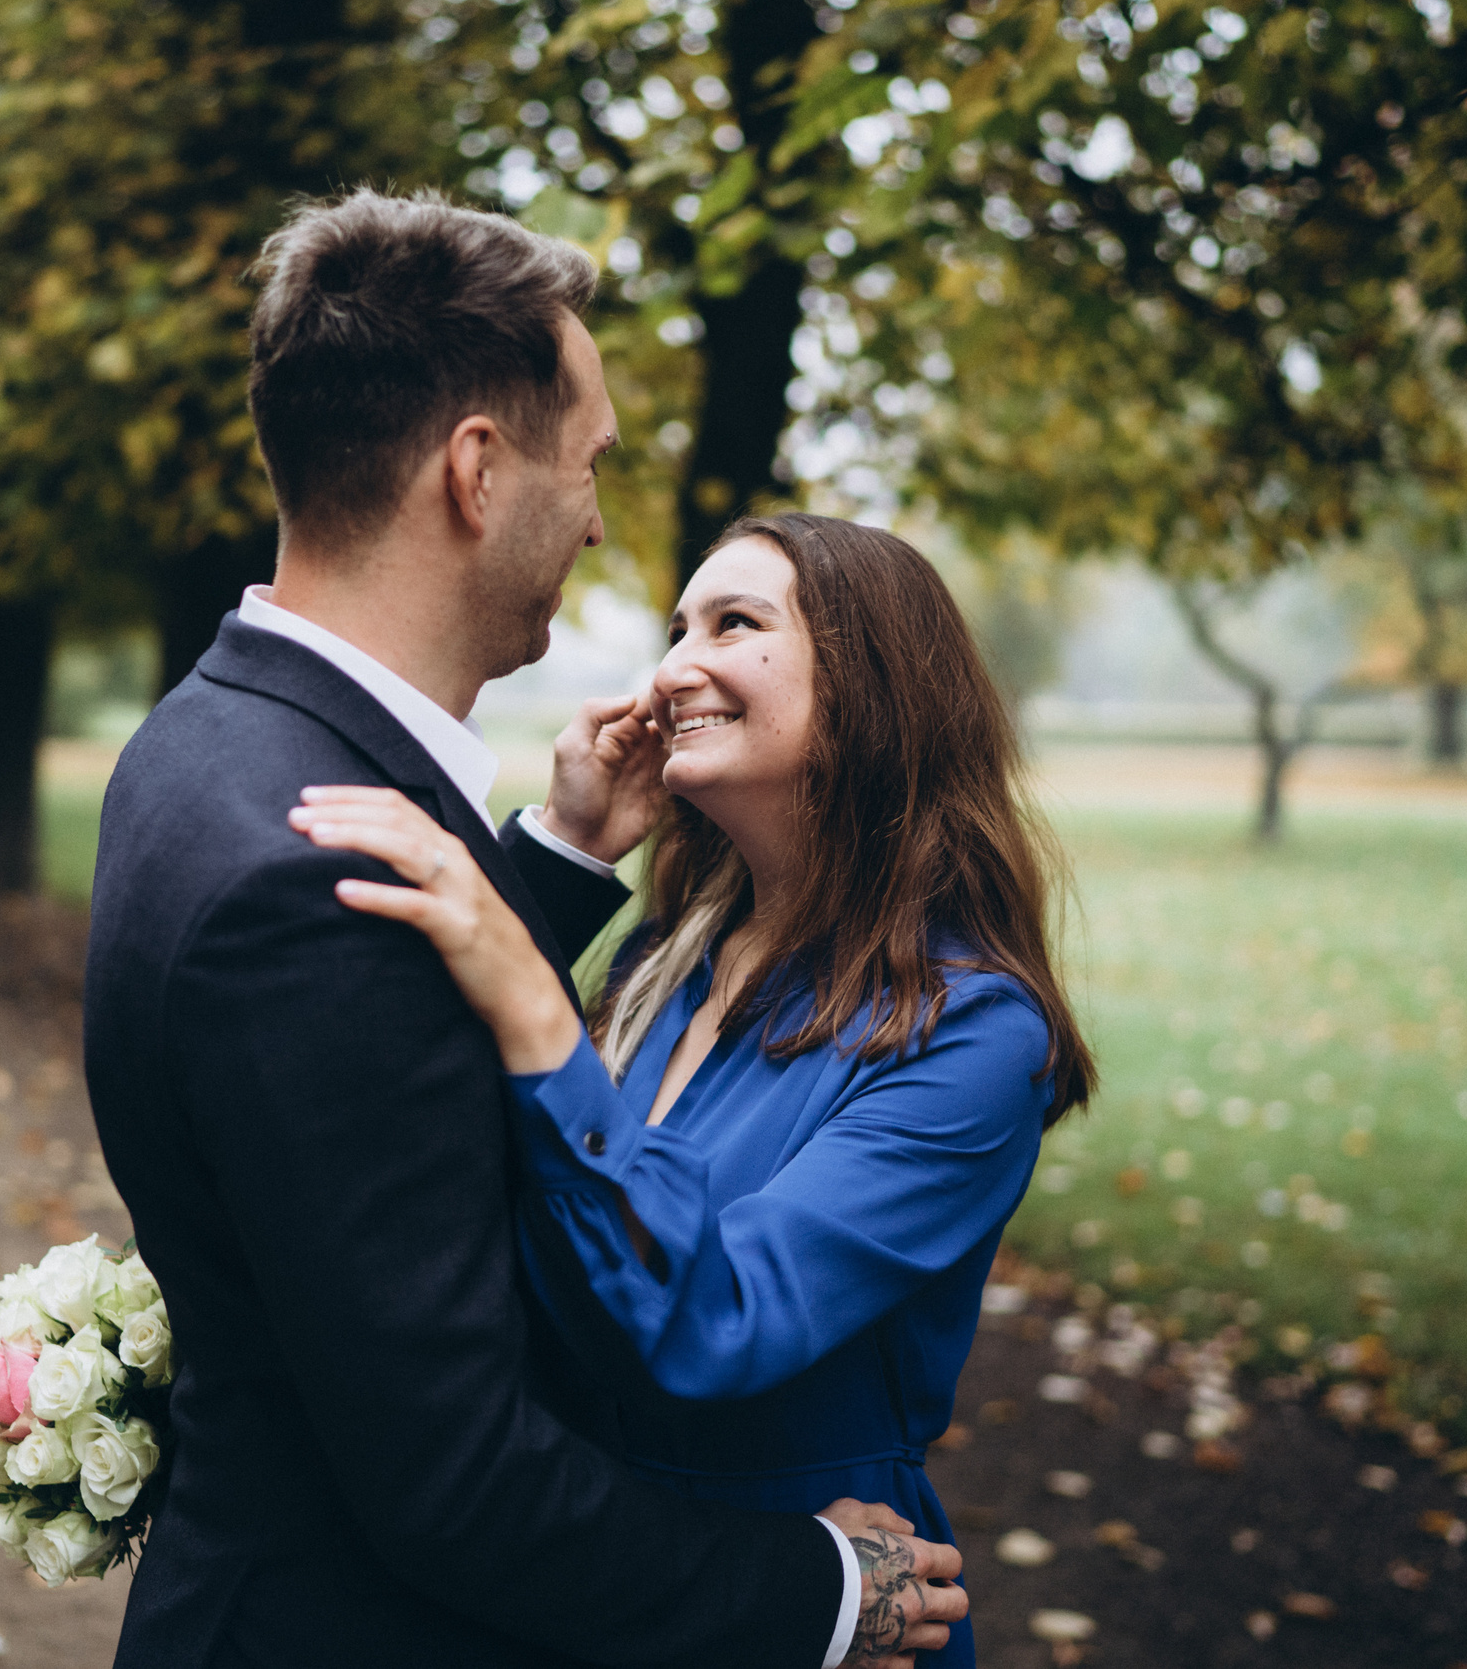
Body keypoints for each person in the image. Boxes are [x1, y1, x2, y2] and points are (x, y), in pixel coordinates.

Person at [81, 193, 967, 1669]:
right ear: (479, 471)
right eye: (592, 459)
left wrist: (546, 867)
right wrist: (813, 1591)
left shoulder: (203, 745)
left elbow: (379, 1091)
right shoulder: (318, 874)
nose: (601, 513)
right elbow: (459, 1484)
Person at [295, 513, 1096, 1669]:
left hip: (815, 1607)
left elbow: (716, 1322)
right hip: (592, 1573)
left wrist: (532, 999)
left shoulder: (973, 1034)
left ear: (870, 681)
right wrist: (565, 849)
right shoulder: (668, 955)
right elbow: (453, 1151)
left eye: (735, 625)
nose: (675, 669)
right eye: (677, 629)